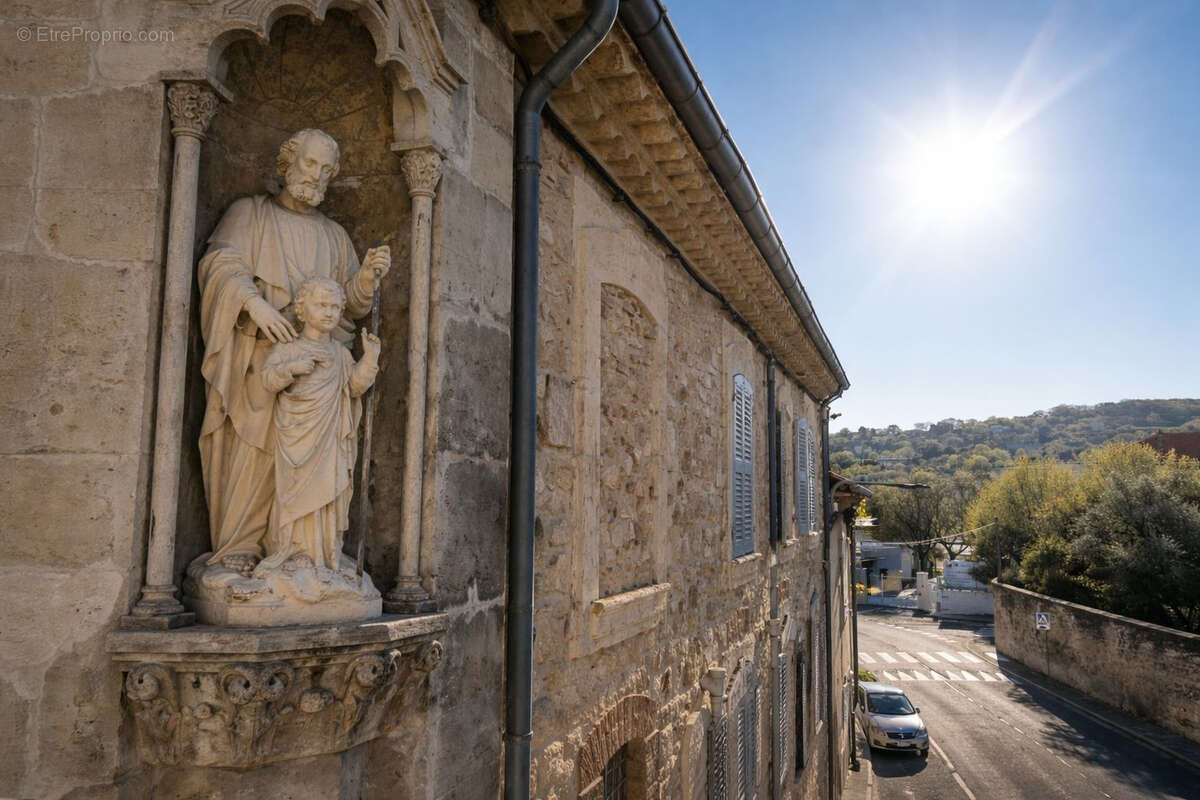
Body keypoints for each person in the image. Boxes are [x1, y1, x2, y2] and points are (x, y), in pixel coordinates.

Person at [196, 129, 390, 572]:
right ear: (288, 163)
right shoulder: (251, 214)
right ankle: (240, 551)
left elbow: (351, 305)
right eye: (309, 164)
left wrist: (366, 279)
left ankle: (308, 554)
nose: (317, 175)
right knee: (253, 461)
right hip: (257, 362)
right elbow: (220, 264)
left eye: (326, 169)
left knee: (316, 473)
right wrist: (254, 303)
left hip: (320, 381)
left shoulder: (335, 235)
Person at [254, 277, 380, 575]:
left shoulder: (340, 354)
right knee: (295, 495)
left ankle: (325, 554)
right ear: (302, 309)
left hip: (330, 438)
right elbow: (267, 380)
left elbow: (353, 387)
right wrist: (291, 369)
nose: (329, 312)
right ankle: (292, 552)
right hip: (296, 436)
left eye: (335, 307)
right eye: (321, 305)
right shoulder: (289, 348)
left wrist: (370, 360)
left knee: (329, 494)